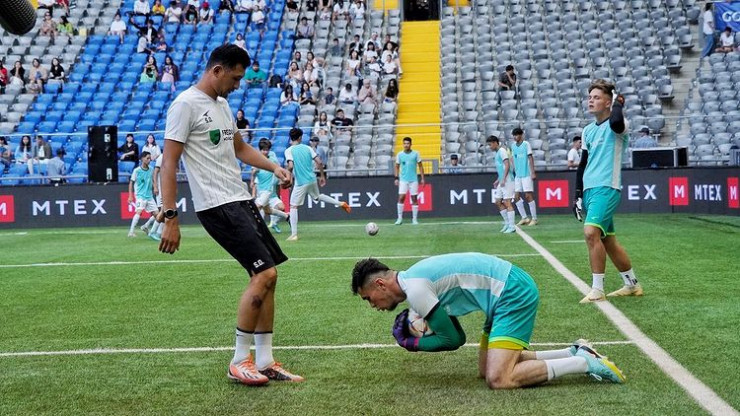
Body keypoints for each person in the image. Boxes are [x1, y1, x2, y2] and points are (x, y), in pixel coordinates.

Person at [158, 44, 302, 386]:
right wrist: (171, 216)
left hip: (240, 200)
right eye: (235, 78)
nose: (238, 85)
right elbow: (169, 162)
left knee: (270, 276)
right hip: (216, 206)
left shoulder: (222, 105)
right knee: (264, 274)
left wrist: (273, 167)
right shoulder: (185, 105)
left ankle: (265, 361)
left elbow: (239, 148)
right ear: (217, 71)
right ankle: (239, 360)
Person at [350, 253, 626, 389]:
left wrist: (412, 343)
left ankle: (584, 363)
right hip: (501, 293)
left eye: (368, 298)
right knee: (486, 369)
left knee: (499, 378)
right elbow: (455, 331)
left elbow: (452, 340)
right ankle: (573, 351)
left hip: (511, 292)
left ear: (380, 284)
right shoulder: (414, 280)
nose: (372, 305)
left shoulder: (416, 289)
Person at [574, 79, 643, 303]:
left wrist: (618, 103)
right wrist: (577, 194)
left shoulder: (618, 124)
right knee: (608, 241)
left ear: (608, 102)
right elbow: (582, 164)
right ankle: (632, 284)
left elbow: (615, 121)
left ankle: (597, 289)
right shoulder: (587, 130)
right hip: (589, 190)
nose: (590, 101)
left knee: (590, 232)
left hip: (607, 188)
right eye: (589, 97)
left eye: (596, 97)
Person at [284, 127, 351, 241]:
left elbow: (290, 166)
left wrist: (288, 178)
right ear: (300, 137)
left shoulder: (289, 150)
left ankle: (294, 234)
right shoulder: (308, 148)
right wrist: (322, 176)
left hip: (301, 182)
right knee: (317, 197)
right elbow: (319, 162)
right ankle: (340, 203)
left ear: (291, 138)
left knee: (293, 206)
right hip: (312, 179)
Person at [251, 138, 290, 233]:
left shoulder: (272, 160)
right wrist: (252, 180)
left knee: (256, 207)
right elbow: (253, 172)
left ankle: (256, 229)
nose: (265, 152)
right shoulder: (256, 159)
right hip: (260, 190)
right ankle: (286, 216)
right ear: (260, 150)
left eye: (267, 150)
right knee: (267, 211)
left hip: (268, 190)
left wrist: (283, 179)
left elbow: (278, 170)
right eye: (263, 150)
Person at [487, 135, 516, 233]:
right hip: (502, 180)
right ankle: (507, 223)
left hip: (508, 180)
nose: (489, 147)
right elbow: (502, 168)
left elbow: (507, 165)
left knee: (507, 202)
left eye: (490, 144)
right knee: (498, 202)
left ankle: (512, 226)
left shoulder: (502, 151)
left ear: (495, 143)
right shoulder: (497, 153)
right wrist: (498, 180)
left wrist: (503, 179)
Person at [510, 128, 538, 226]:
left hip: (527, 174)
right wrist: (514, 169)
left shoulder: (526, 144)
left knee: (528, 195)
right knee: (516, 196)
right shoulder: (513, 146)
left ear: (521, 135)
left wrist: (533, 172)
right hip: (518, 175)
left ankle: (534, 218)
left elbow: (530, 158)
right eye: (514, 135)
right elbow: (513, 158)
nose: (515, 137)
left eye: (516, 135)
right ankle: (524, 218)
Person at [394, 136, 425, 225]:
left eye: (407, 143)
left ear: (411, 144)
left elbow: (420, 166)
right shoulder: (400, 154)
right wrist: (396, 178)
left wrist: (422, 178)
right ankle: (399, 218)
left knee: (414, 198)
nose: (406, 145)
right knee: (401, 197)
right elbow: (397, 166)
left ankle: (414, 219)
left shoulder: (416, 153)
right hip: (403, 180)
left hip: (413, 179)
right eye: (404, 143)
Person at [127, 151, 158, 238]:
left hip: (149, 196)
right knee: (139, 211)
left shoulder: (151, 169)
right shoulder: (137, 171)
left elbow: (153, 179)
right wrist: (130, 196)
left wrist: (155, 187)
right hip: (140, 195)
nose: (149, 160)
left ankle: (145, 226)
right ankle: (131, 232)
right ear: (142, 159)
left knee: (157, 215)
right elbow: (131, 182)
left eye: (150, 158)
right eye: (147, 158)